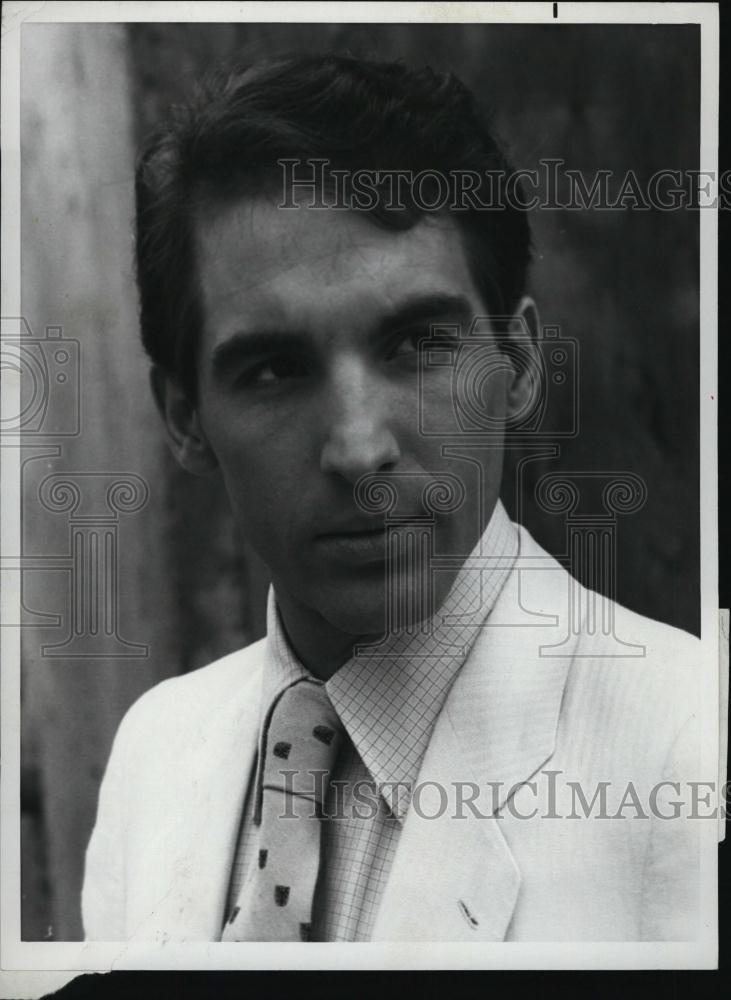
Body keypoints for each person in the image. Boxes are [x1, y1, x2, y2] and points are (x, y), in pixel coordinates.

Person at [81, 54, 700, 943]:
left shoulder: (686, 744)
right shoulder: (155, 754)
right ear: (185, 419)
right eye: (275, 370)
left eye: (416, 345)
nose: (358, 447)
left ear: (517, 365)